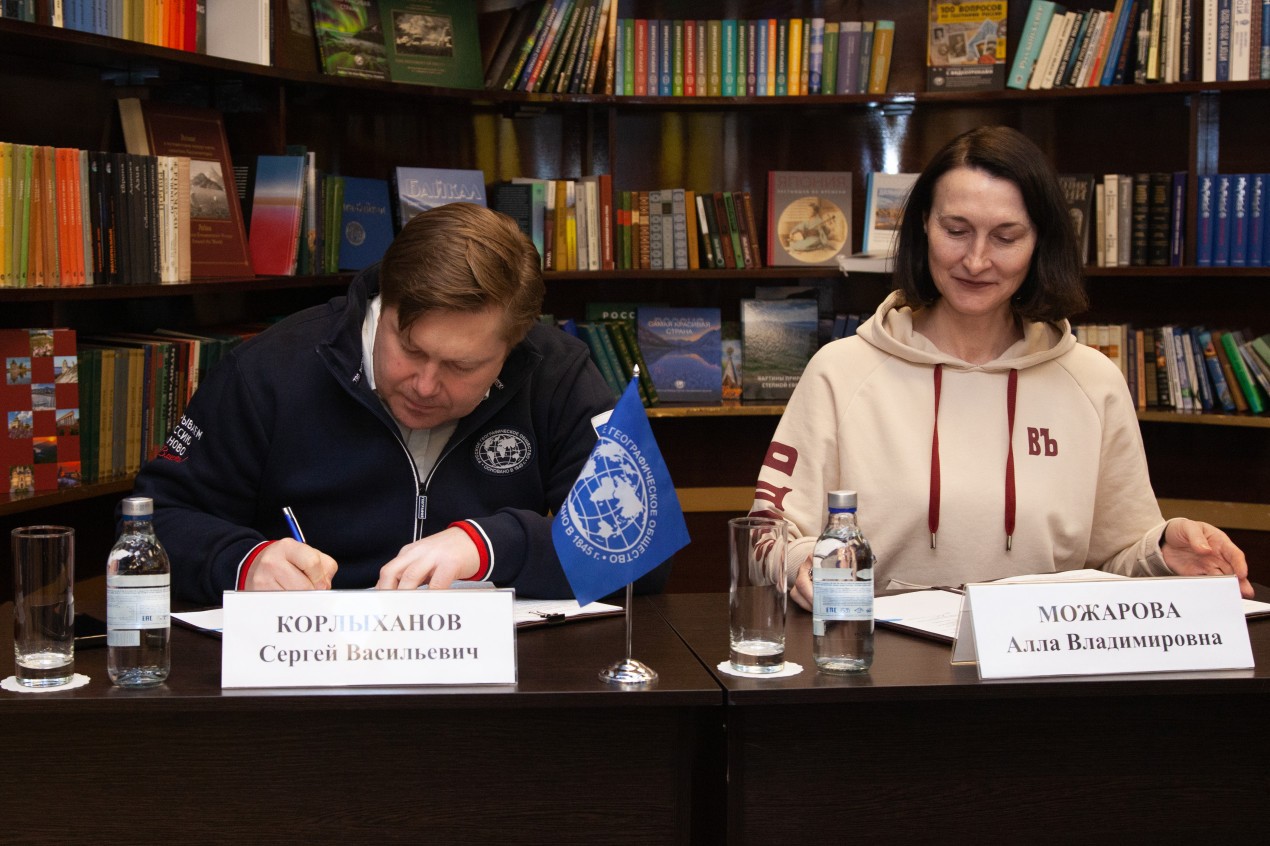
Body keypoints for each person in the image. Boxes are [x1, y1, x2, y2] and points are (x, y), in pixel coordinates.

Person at [748, 125, 1252, 609]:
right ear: (924, 224)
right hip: (880, 669)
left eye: (1006, 236)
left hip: (1045, 670)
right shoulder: (840, 370)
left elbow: (1113, 560)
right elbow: (766, 535)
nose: (976, 260)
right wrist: (797, 562)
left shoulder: (1094, 381)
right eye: (956, 230)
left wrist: (1162, 553)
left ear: (1040, 242)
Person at [133, 202, 655, 605]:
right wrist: (245, 562)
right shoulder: (268, 370)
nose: (425, 386)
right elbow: (152, 525)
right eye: (410, 349)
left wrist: (491, 546)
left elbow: (644, 551)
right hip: (304, 676)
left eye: (462, 366)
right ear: (382, 306)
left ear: (512, 346)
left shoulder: (558, 372)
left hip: (490, 683)